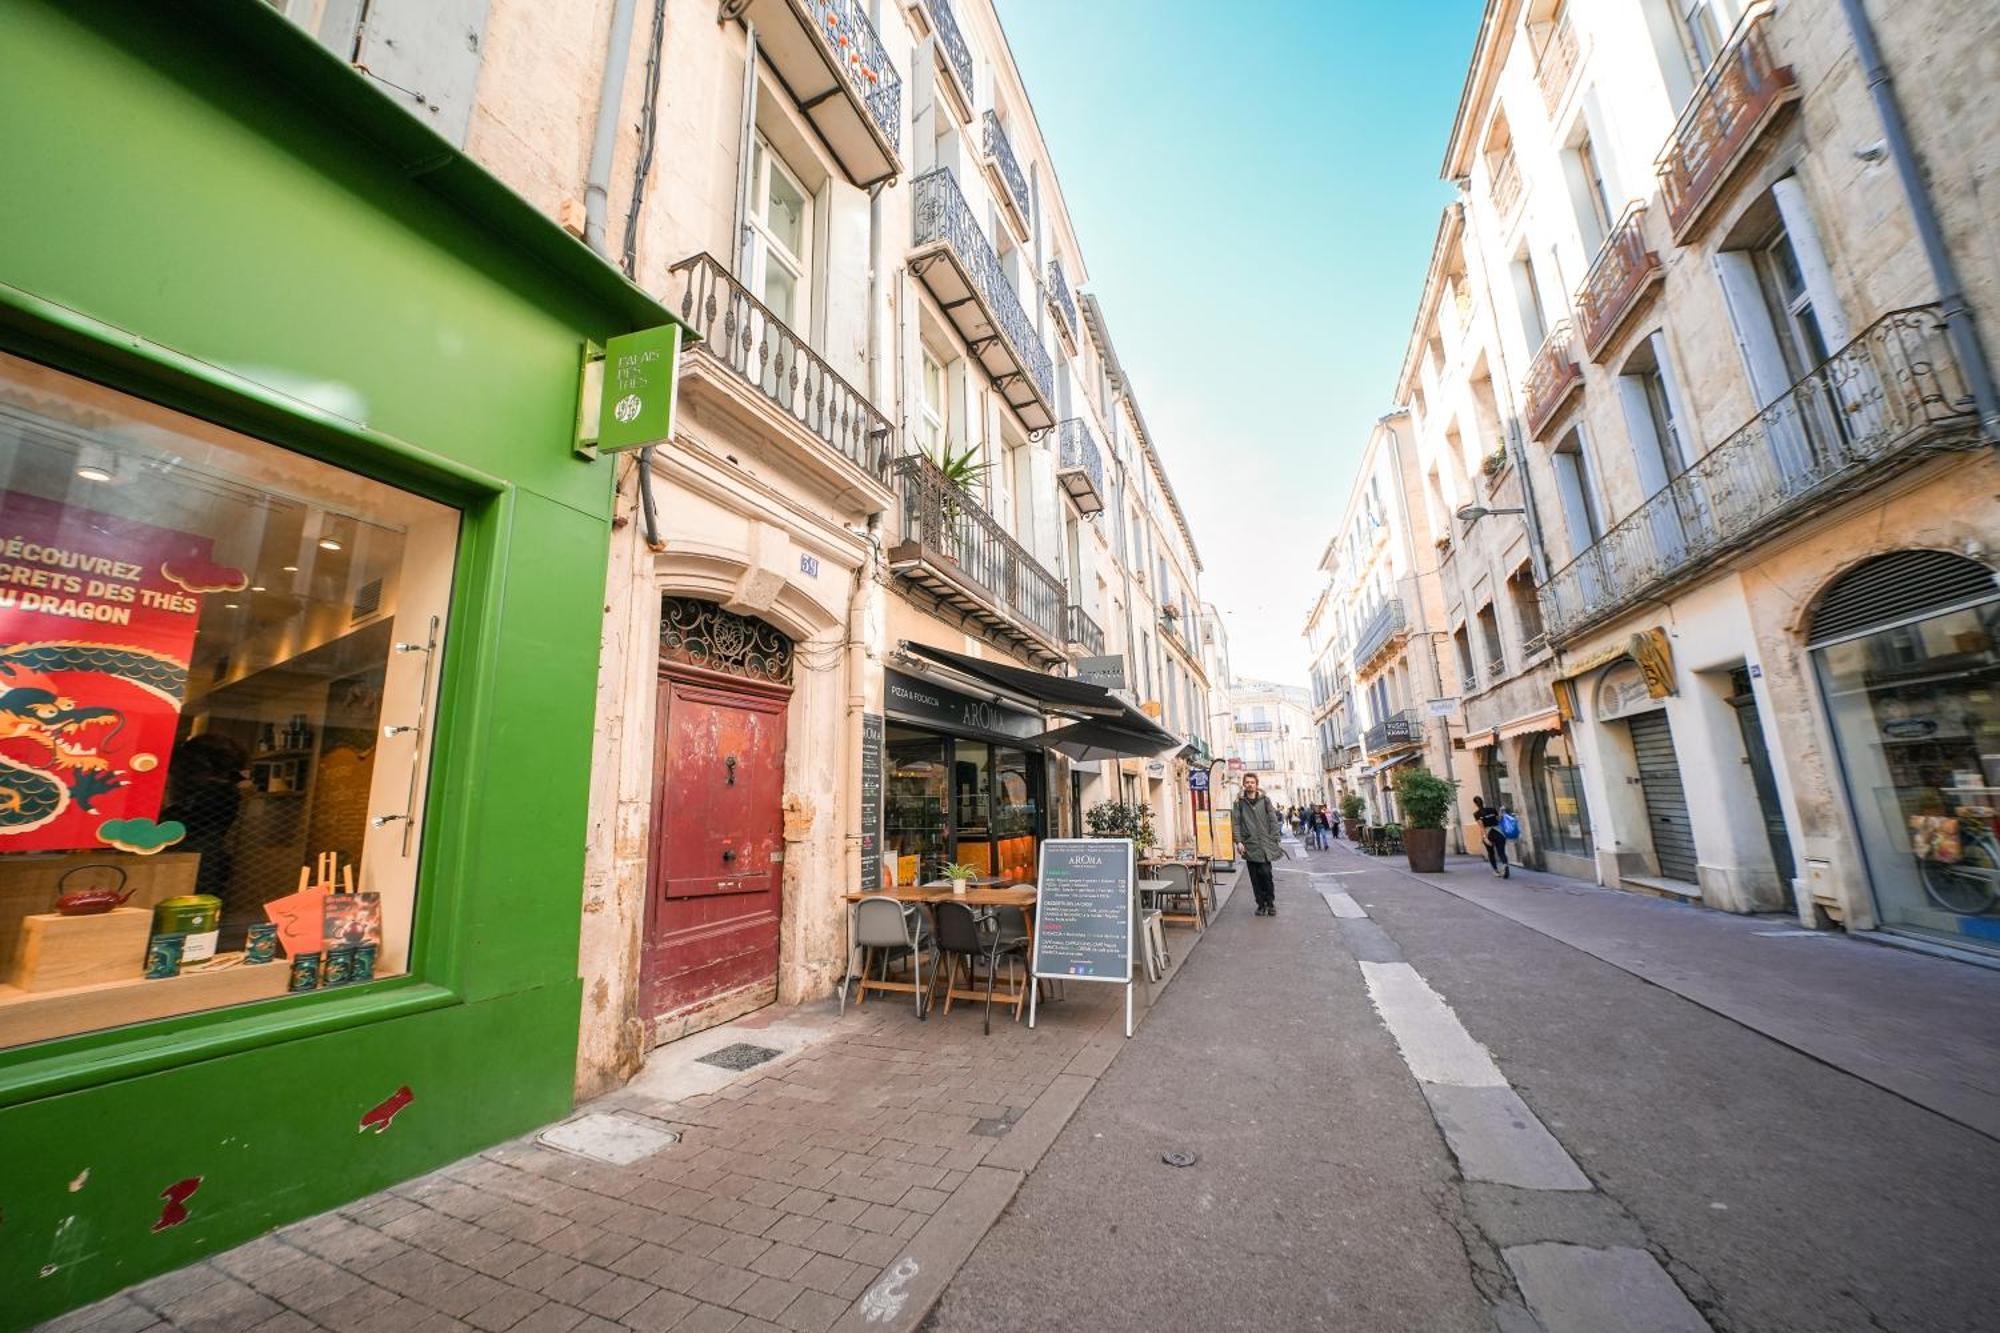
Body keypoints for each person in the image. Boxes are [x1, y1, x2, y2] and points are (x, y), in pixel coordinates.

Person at [1233, 773, 1286, 916]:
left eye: (1252, 782)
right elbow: (1236, 823)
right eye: (1247, 782)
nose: (1250, 784)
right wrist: (1238, 841)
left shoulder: (1265, 800)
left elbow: (1273, 819)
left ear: (1256, 784)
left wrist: (1274, 838)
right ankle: (1260, 905)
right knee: (1255, 878)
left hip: (1265, 844)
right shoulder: (1239, 803)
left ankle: (1270, 902)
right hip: (1249, 844)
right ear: (1244, 784)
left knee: (1266, 874)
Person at [1471, 793, 1510, 878]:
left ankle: (1496, 871)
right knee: (1501, 852)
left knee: (1491, 853)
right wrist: (1501, 812)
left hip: (1489, 834)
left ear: (1475, 804)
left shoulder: (1477, 814)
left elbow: (1482, 827)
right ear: (1483, 802)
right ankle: (1505, 864)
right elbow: (1499, 819)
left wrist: (1485, 838)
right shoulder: (1492, 809)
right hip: (1498, 832)